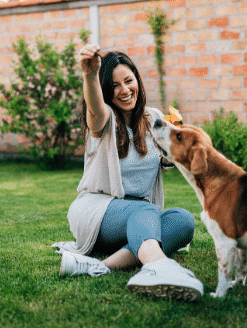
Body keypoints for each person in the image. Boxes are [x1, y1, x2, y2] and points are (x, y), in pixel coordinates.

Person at [51, 44, 203, 302]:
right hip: (97, 214)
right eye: (114, 86)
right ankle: (159, 267)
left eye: (128, 81)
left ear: (137, 81)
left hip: (137, 221)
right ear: (105, 91)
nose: (124, 90)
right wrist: (89, 75)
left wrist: (177, 149)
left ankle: (99, 266)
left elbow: (167, 158)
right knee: (146, 210)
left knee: (184, 221)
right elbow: (95, 111)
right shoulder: (105, 119)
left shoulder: (153, 117)